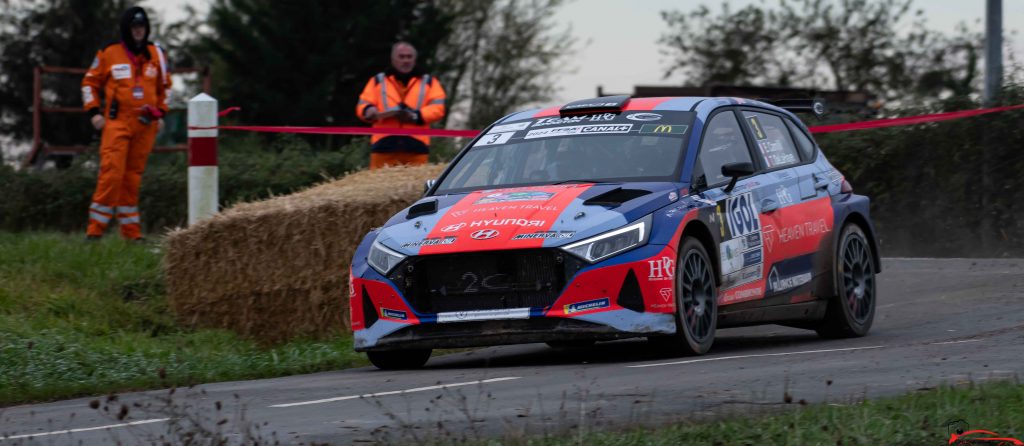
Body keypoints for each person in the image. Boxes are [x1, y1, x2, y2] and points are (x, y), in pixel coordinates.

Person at [81, 6, 170, 241]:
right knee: (112, 174)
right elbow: (88, 83)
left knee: (132, 177)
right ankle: (94, 232)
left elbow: (165, 88)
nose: (138, 31)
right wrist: (93, 113)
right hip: (117, 122)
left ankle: (132, 233)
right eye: (134, 27)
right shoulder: (109, 52)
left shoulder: (157, 54)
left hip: (146, 125)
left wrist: (160, 114)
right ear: (126, 29)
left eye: (142, 27)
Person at [355, 42, 446, 169]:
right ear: (393, 59)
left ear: (414, 59)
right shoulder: (377, 81)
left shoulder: (429, 82)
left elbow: (438, 109)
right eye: (401, 57)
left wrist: (415, 116)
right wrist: (368, 110)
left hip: (416, 147)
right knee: (380, 187)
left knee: (415, 187)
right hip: (384, 146)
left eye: (409, 57)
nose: (406, 60)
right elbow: (362, 105)